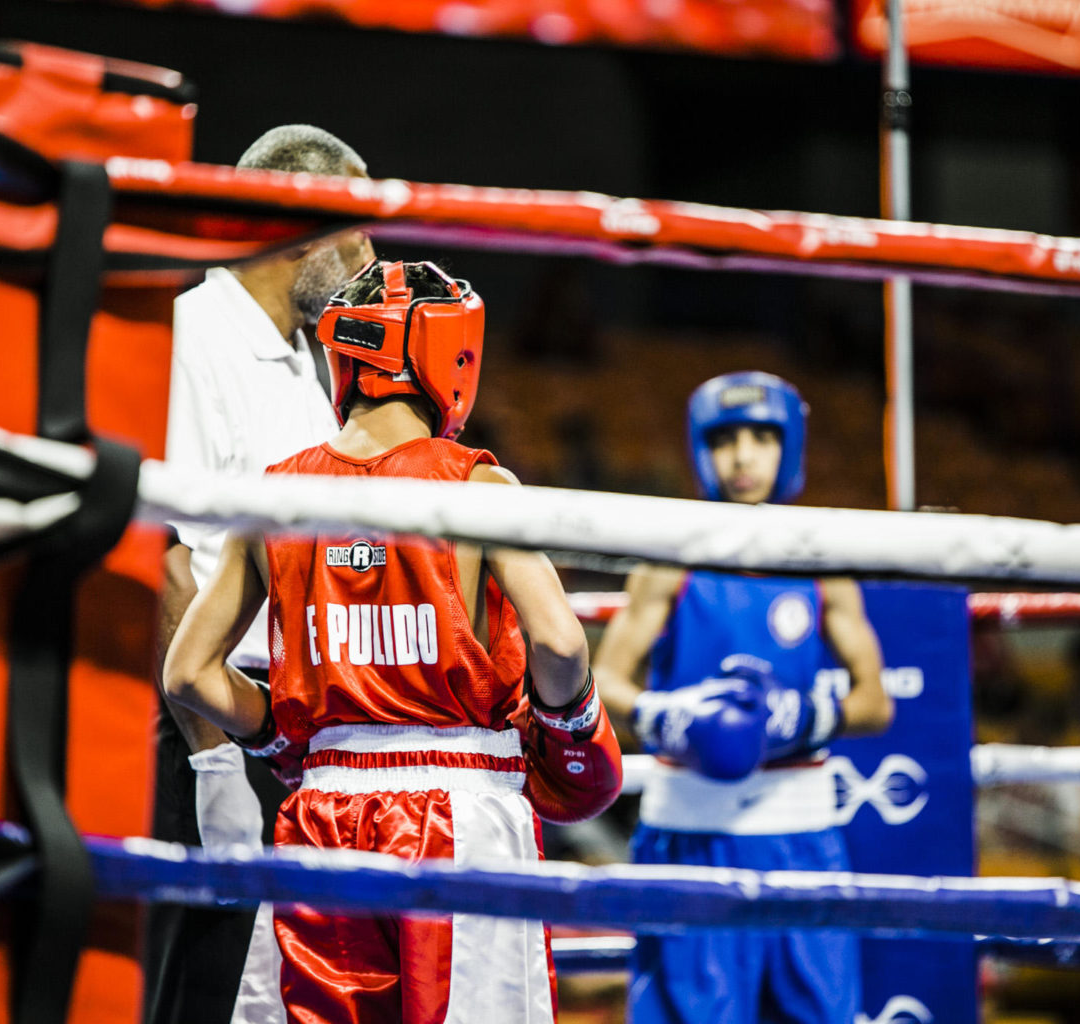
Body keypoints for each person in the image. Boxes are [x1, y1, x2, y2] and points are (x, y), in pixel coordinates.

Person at [162, 259, 624, 1023]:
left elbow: (189, 675)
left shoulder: (273, 498)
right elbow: (562, 643)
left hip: (323, 811)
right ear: (451, 361)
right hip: (460, 810)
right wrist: (571, 729)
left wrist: (284, 734)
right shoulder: (475, 488)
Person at [150, 124, 374, 1024]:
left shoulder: (304, 361)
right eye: (358, 226)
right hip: (199, 721)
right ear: (302, 220)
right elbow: (163, 556)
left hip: (279, 725)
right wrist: (212, 763)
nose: (372, 251)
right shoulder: (192, 335)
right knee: (193, 983)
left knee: (267, 993)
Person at [593, 370, 893, 1024]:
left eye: (762, 437)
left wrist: (806, 714)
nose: (744, 455)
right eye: (727, 438)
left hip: (801, 837)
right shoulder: (670, 558)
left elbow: (877, 702)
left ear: (790, 450)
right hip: (690, 834)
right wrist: (663, 714)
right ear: (704, 449)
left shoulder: (820, 561)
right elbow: (607, 679)